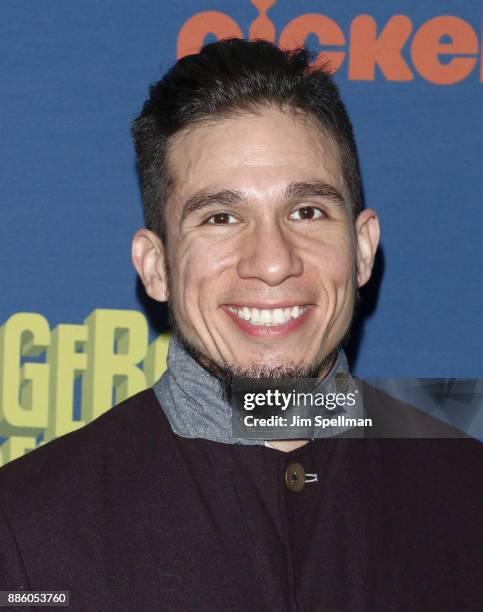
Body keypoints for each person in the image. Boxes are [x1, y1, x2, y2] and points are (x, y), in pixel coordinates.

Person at [0, 39, 481, 611]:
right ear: (157, 267)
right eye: (221, 217)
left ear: (362, 249)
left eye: (307, 212)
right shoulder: (24, 530)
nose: (273, 262)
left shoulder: (468, 499)